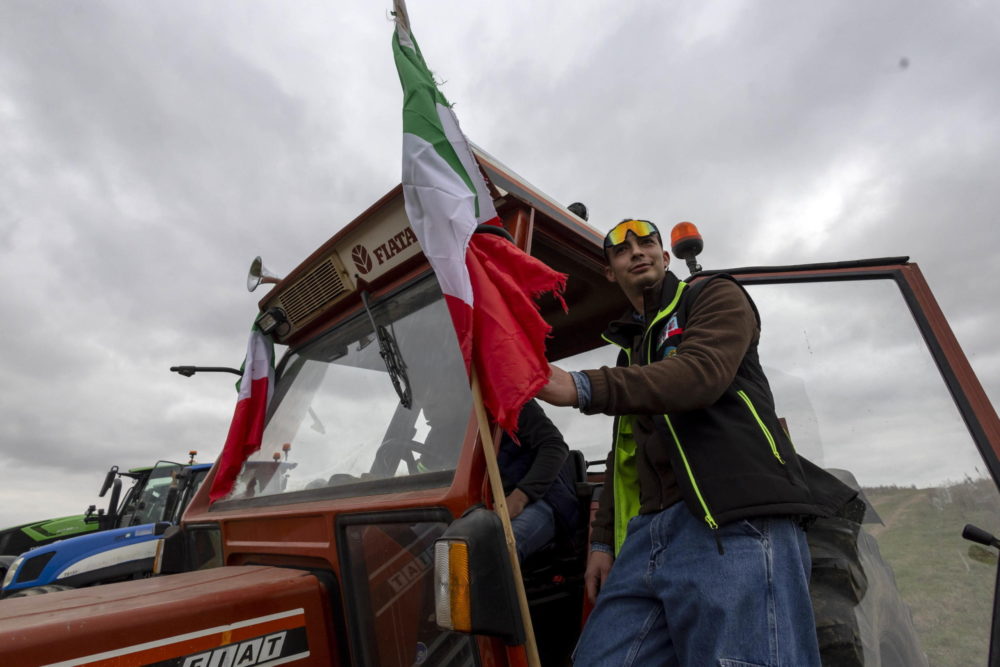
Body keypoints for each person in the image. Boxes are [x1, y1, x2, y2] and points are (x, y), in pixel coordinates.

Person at [536, 218, 855, 666]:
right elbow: (624, 454)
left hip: (732, 516)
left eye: (647, 243)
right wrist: (603, 544)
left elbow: (701, 374)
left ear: (666, 258)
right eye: (622, 250)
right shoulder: (630, 353)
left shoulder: (713, 296)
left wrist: (582, 387)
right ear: (611, 272)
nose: (637, 252)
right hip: (650, 533)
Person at [498, 399, 579, 563]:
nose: (429, 401)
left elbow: (554, 445)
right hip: (487, 508)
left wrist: (519, 498)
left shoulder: (510, 399)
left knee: (494, 550)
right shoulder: (449, 428)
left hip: (541, 500)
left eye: (433, 390)